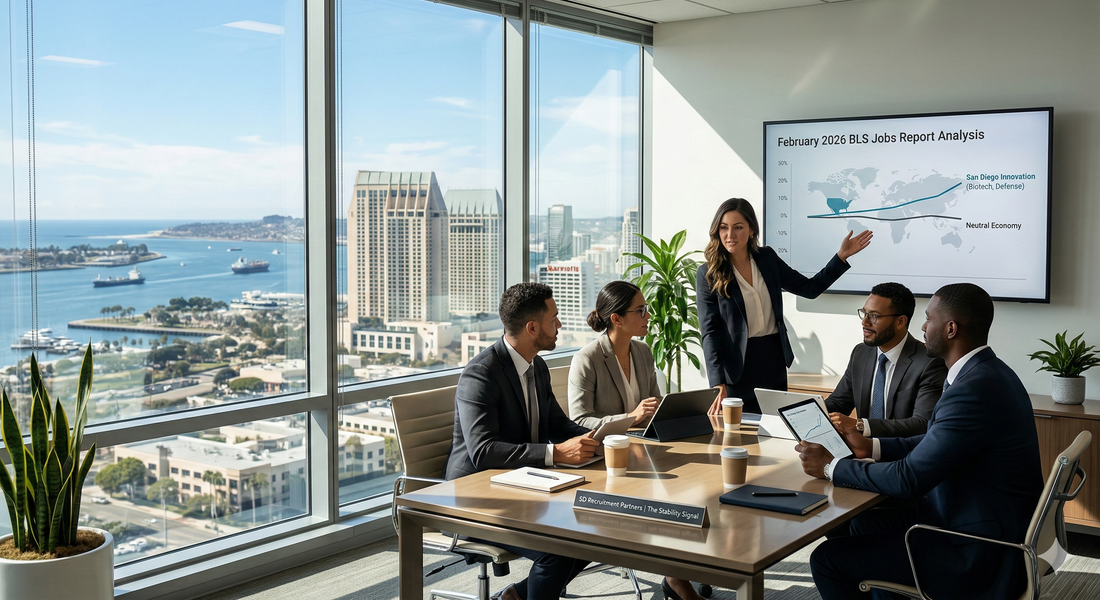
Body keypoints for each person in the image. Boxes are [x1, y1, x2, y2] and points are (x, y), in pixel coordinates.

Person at [797, 283, 1042, 599]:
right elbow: (933, 440)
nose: (923, 327)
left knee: (827, 560)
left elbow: (909, 478)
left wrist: (832, 467)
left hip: (975, 548)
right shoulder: (989, 374)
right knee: (864, 524)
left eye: (929, 319)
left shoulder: (971, 391)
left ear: (951, 329)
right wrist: (870, 447)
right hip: (976, 520)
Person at [445, 283, 598, 600]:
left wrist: (599, 441)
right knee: (558, 550)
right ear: (532, 327)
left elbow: (557, 424)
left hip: (522, 487)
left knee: (596, 530)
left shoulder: (537, 365)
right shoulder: (481, 374)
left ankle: (515, 595)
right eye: (554, 319)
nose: (559, 326)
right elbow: (483, 451)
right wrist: (555, 453)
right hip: (474, 500)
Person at [698, 198, 873, 415]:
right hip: (736, 369)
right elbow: (710, 332)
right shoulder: (709, 273)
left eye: (738, 227)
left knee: (776, 430)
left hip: (772, 360)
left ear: (751, 229)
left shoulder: (767, 259)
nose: (730, 235)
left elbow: (809, 289)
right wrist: (717, 382)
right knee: (738, 437)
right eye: (724, 228)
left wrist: (841, 256)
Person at [825, 282, 946, 439]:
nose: (864, 322)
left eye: (874, 316)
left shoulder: (929, 362)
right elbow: (839, 403)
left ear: (900, 321)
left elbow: (922, 423)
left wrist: (860, 425)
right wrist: (804, 410)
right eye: (864, 313)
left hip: (900, 455)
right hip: (861, 449)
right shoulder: (861, 353)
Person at [568, 280, 661, 429]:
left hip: (644, 442)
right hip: (607, 447)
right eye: (640, 310)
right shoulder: (587, 359)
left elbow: (656, 404)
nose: (648, 315)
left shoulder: (644, 351)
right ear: (616, 319)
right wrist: (630, 418)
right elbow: (580, 420)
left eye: (646, 309)